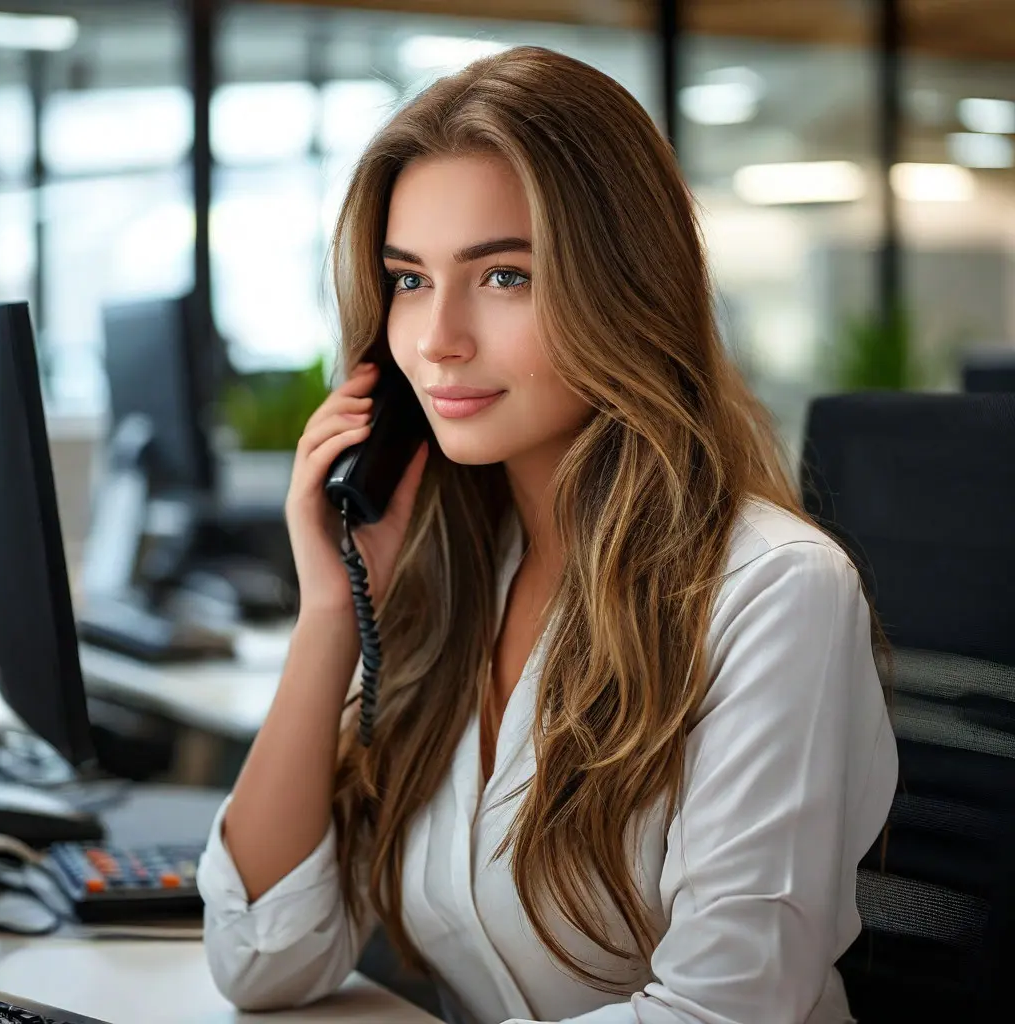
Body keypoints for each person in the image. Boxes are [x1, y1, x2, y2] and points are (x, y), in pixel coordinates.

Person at [198, 46, 897, 1024]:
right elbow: (263, 957)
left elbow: (720, 1011)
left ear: (624, 290)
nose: (436, 337)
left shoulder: (773, 590)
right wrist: (329, 613)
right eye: (408, 279)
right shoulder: (445, 575)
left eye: (504, 277)